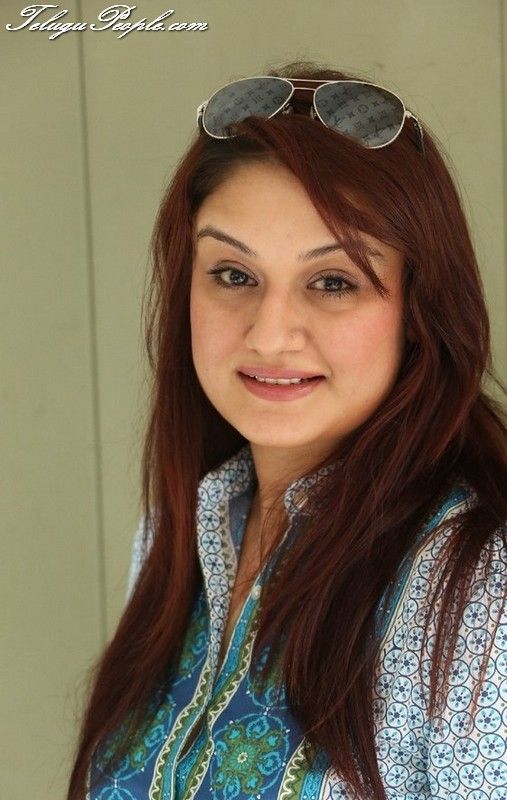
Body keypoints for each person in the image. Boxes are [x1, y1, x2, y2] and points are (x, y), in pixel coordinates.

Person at [66, 61, 507, 800]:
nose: (270, 335)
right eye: (233, 275)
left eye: (333, 282)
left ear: (417, 311)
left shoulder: (478, 593)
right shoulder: (178, 528)